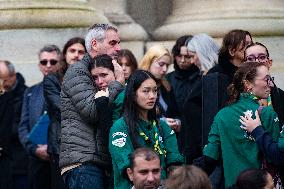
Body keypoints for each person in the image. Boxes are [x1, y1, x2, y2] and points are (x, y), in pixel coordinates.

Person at [195, 62, 280, 188]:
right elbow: (277, 155)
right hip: (263, 184)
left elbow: (210, 155)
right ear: (248, 84)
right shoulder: (268, 113)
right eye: (266, 79)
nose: (270, 84)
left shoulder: (221, 115)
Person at [59, 23, 124, 189]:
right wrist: (117, 84)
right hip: (83, 162)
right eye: (113, 43)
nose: (118, 48)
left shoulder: (111, 70)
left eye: (118, 43)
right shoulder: (78, 71)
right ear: (94, 44)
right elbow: (93, 111)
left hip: (101, 161)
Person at [109, 70, 184, 189]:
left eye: (155, 90)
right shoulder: (120, 127)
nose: (152, 96)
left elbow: (174, 161)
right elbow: (125, 165)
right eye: (146, 91)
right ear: (133, 94)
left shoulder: (162, 126)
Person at [43, 37, 86, 189]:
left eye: (81, 52)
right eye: (72, 51)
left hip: (86, 148)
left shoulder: (92, 79)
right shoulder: (52, 80)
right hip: (60, 147)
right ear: (65, 55)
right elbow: (62, 109)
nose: (76, 55)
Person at [18, 45, 61, 189]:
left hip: (60, 158)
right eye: (44, 62)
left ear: (60, 63)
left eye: (53, 62)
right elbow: (23, 126)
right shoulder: (30, 92)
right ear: (39, 65)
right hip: (36, 160)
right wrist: (35, 149)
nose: (48, 65)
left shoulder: (66, 88)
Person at [181, 33, 220, 163]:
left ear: (203, 52)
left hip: (206, 150)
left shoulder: (215, 77)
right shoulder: (204, 76)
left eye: (192, 56)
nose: (191, 61)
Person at [140, 45, 181, 133]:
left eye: (167, 65)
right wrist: (161, 122)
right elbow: (136, 118)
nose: (165, 69)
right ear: (149, 62)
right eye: (161, 64)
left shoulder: (167, 86)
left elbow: (176, 113)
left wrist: (177, 122)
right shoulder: (137, 84)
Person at [0, 60, 28, 189]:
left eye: (4, 80)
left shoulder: (26, 95)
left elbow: (23, 126)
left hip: (19, 163)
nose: (1, 84)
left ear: (13, 77)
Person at [244, 42, 284, 126]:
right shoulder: (234, 96)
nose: (257, 61)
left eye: (262, 57)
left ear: (269, 62)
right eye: (250, 58)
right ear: (244, 64)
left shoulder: (281, 96)